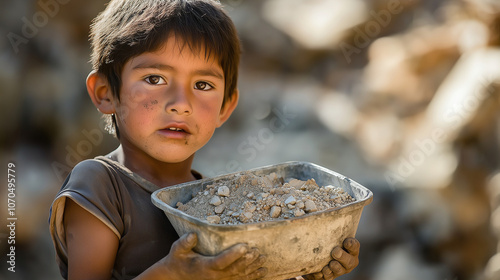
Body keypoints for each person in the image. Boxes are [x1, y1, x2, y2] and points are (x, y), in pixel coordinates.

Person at [48, 0, 360, 279]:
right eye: (154, 79)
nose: (181, 103)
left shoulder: (218, 202)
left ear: (225, 107)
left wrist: (304, 265)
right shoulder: (101, 184)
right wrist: (173, 275)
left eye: (202, 84)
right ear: (105, 94)